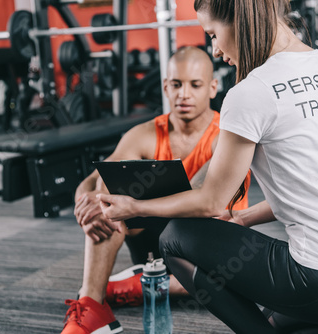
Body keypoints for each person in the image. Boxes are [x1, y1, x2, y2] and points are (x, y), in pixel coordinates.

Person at [97, 1, 318, 334]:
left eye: (213, 34)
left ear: (239, 21)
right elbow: (317, 184)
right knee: (274, 321)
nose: (216, 49)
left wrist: (135, 206)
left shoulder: (251, 91)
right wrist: (243, 218)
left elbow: (211, 200)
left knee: (176, 236)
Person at [61, 46, 251, 334]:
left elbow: (208, 203)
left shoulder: (228, 137)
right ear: (165, 86)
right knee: (105, 204)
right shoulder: (145, 133)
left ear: (213, 88)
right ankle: (91, 306)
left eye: (195, 85)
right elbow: (95, 179)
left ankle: (142, 284)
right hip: (151, 241)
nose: (184, 94)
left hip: (207, 246)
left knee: (237, 278)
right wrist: (86, 202)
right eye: (176, 84)